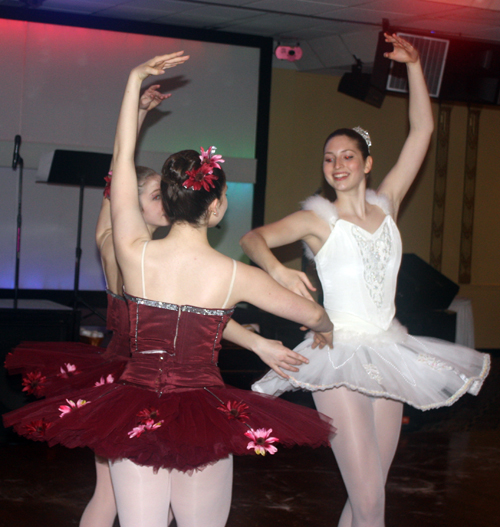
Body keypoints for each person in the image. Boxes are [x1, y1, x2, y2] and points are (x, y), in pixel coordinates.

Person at [4, 52, 335, 527]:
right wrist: (299, 295)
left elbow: (121, 166)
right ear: (217, 207)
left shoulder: (134, 252)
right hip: (201, 410)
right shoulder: (236, 275)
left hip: (132, 407)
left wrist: (133, 84)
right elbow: (312, 317)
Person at [240, 34, 490, 527]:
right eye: (330, 158)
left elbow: (422, 131)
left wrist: (416, 66)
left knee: (367, 495)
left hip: (389, 350)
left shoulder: (388, 204)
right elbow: (253, 239)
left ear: (367, 164)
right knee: (372, 500)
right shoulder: (318, 220)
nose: (337, 165)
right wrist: (280, 270)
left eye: (347, 156)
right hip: (337, 352)